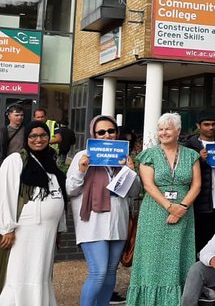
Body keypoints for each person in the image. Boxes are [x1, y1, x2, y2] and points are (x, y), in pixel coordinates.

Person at [126, 113, 201, 305]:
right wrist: (170, 207)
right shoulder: (148, 155)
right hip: (155, 212)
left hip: (184, 212)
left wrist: (182, 208)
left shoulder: (192, 155)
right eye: (161, 129)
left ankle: (179, 299)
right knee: (152, 258)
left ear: (178, 131)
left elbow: (196, 185)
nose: (164, 132)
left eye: (168, 128)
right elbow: (148, 186)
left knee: (179, 256)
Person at [67, 115, 140, 306]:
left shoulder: (122, 157)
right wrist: (82, 169)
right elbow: (70, 189)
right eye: (101, 132)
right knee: (98, 272)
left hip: (118, 222)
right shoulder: (83, 156)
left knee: (110, 272)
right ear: (94, 134)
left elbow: (134, 193)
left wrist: (130, 171)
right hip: (92, 222)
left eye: (111, 131)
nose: (107, 135)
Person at [0, 121, 67, 305]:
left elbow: (60, 194)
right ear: (26, 138)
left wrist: (60, 228)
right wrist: (7, 228)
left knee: (41, 271)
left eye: (43, 135)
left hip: (47, 230)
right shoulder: (15, 160)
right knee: (20, 270)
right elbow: (5, 193)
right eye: (33, 136)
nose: (39, 139)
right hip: (24, 229)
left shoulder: (50, 162)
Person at [182, 111, 215, 253]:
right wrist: (199, 160)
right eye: (206, 124)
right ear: (198, 126)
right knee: (195, 240)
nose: (210, 127)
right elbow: (183, 172)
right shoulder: (189, 146)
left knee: (211, 240)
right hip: (197, 201)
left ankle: (205, 269)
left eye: (213, 124)